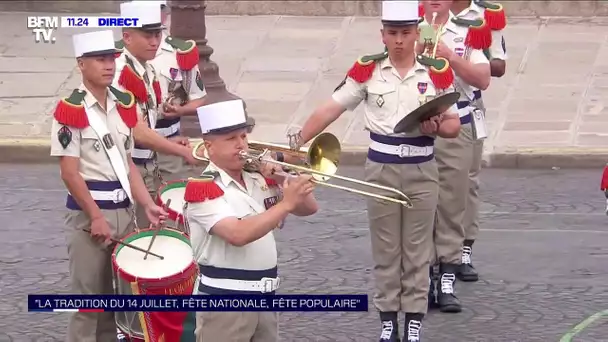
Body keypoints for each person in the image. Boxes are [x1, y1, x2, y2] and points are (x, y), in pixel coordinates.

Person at [286, 1, 461, 340]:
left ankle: (412, 322)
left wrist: (437, 126)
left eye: (406, 33)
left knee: (417, 249)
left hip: (422, 167)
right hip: (382, 167)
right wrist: (297, 142)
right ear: (382, 34)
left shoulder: (435, 70)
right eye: (392, 33)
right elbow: (330, 108)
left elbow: (454, 125)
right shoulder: (367, 70)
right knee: (385, 250)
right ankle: (387, 321)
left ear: (416, 33)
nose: (399, 40)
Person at [50, 29, 167, 342]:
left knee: (118, 302)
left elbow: (127, 162)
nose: (109, 65)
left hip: (124, 213)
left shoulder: (123, 103)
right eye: (99, 59)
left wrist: (147, 203)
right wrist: (96, 216)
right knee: (89, 303)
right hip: (90, 218)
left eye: (112, 58)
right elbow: (70, 172)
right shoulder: (71, 109)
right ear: (81, 64)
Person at [184, 99, 319, 341]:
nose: (241, 145)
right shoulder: (203, 189)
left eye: (244, 136)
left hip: (266, 299)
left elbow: (309, 209)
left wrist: (282, 178)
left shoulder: (257, 178)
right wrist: (286, 203)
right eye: (231, 139)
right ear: (209, 146)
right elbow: (237, 234)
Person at [418, 0, 491, 313]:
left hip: (455, 121)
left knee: (452, 201)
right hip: (416, 125)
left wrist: (449, 56)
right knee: (419, 203)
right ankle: (421, 276)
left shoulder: (468, 31)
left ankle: (447, 274)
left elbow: (483, 78)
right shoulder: (405, 30)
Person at [113, 1, 199, 229]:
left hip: (147, 161)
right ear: (128, 37)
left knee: (161, 230)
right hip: (126, 166)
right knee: (133, 238)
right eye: (147, 36)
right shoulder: (121, 72)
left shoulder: (146, 69)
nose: (154, 42)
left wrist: (168, 141)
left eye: (156, 35)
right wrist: (179, 150)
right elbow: (137, 131)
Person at [451, 0, 508, 282]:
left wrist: (475, 55)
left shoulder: (486, 14)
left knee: (468, 181)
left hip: (467, 107)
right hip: (427, 107)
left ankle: (464, 249)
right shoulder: (425, 12)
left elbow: (499, 66)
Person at [148, 0, 208, 181]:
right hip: (133, 146)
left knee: (172, 196)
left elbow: (199, 98)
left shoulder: (180, 52)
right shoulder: (116, 56)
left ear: (165, 14)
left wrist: (181, 110)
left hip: (169, 140)